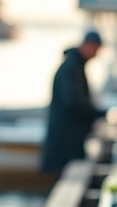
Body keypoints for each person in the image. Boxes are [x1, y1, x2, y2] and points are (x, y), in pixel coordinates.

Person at [39, 30, 106, 175]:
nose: (97, 54)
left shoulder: (75, 64)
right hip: (65, 138)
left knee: (65, 170)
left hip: (69, 136)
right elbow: (74, 103)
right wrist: (100, 113)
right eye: (97, 49)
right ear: (90, 45)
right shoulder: (72, 67)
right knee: (63, 172)